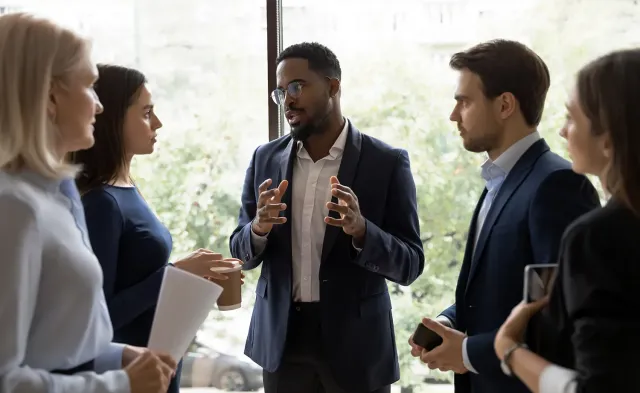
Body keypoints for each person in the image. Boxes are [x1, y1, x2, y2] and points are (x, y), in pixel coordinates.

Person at [230, 42, 424, 393]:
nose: (287, 100)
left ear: (333, 87)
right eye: (280, 92)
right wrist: (258, 228)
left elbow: (410, 265)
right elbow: (239, 253)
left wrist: (362, 231)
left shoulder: (387, 162)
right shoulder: (264, 159)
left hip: (358, 349)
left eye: (296, 87)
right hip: (282, 345)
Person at [408, 39, 600, 393]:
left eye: (464, 101)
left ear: (505, 104)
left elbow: (559, 314)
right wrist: (448, 321)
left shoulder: (557, 184)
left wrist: (466, 352)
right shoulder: (497, 181)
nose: (454, 115)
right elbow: (500, 291)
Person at [0, 12, 176, 393]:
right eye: (90, 87)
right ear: (49, 96)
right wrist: (120, 383)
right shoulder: (13, 207)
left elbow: (52, 345)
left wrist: (115, 356)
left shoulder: (61, 195)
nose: (99, 106)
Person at [69, 64, 241, 393]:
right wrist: (176, 274)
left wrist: (193, 278)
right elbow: (99, 319)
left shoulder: (126, 189)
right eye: (147, 112)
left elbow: (141, 280)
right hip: (128, 375)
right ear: (113, 117)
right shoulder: (102, 203)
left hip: (156, 366)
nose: (158, 122)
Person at [494, 48, 640, 393]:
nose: (562, 131)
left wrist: (509, 349)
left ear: (608, 140)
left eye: (572, 118)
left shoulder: (598, 238)